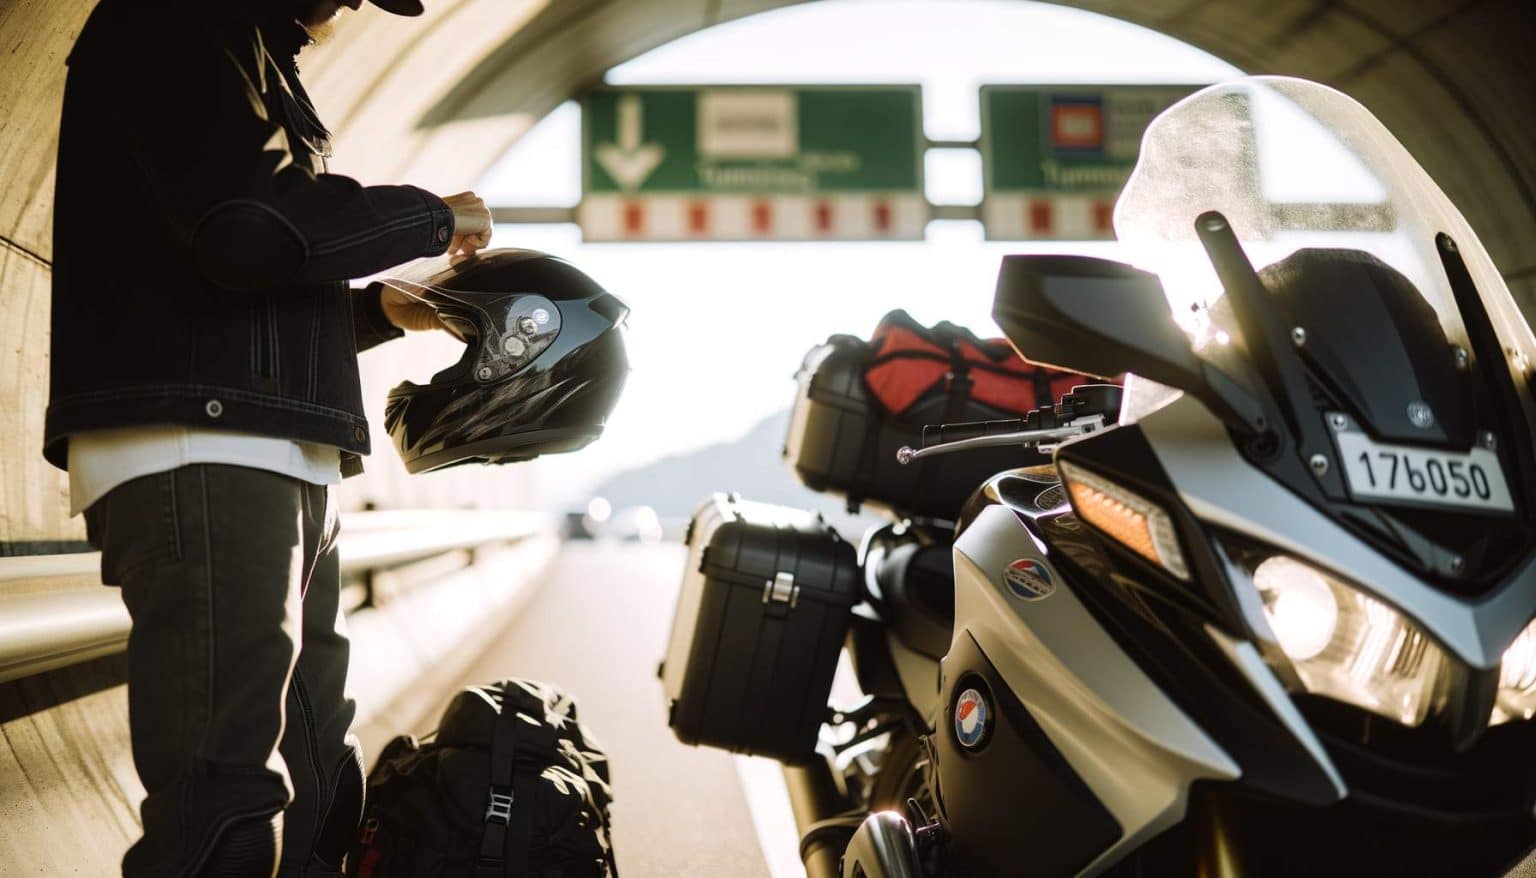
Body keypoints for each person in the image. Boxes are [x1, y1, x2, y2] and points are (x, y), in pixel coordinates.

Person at [44, 0, 490, 874]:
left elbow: (244, 262)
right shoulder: (171, 21)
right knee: (225, 819)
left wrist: (375, 310)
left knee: (325, 791)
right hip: (197, 454)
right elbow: (244, 229)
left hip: (273, 451)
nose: (352, 5)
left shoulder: (253, 52)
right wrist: (428, 217)